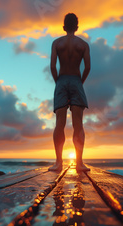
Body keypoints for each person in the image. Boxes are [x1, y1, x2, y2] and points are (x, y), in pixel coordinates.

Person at [48, 13, 91, 172]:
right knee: (78, 124)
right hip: (76, 80)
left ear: (64, 27)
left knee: (60, 123)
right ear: (77, 27)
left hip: (61, 80)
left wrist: (57, 81)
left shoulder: (56, 43)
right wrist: (80, 82)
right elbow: (87, 67)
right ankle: (79, 163)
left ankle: (58, 163)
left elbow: (52, 66)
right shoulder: (83, 44)